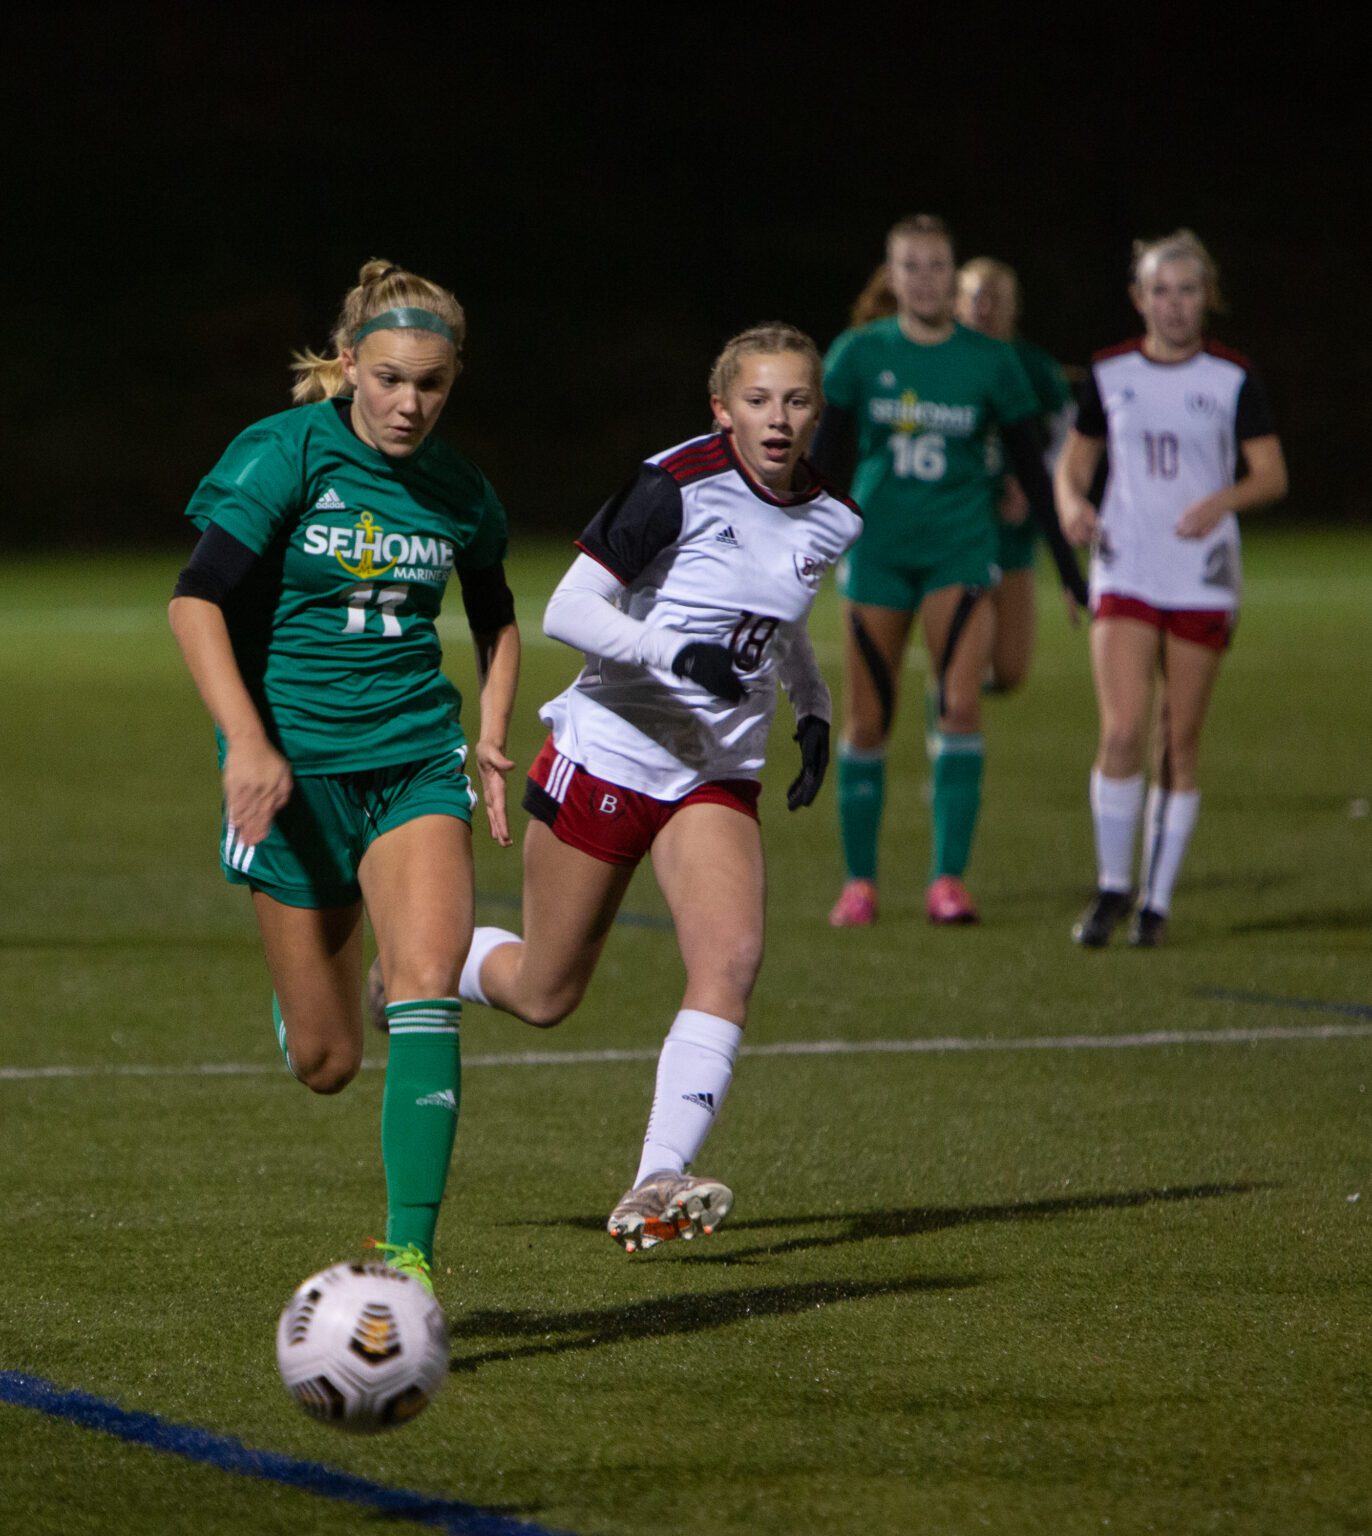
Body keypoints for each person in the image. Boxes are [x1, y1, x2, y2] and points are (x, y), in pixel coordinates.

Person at [451, 323, 861, 1254]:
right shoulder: (672, 484)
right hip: (608, 752)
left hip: (715, 771)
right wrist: (673, 652)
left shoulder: (836, 515)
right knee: (547, 993)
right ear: (723, 409)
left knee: (731, 960)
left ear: (816, 412)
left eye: (796, 400)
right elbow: (566, 609)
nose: (778, 417)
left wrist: (811, 704)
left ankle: (652, 1183)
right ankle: (410, 962)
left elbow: (776, 614)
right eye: (757, 400)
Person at [168, 259, 520, 1291]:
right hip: (294, 776)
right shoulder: (286, 455)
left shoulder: (460, 490)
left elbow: (496, 614)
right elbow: (196, 602)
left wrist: (491, 732)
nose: (409, 404)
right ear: (349, 367)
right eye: (389, 379)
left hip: (413, 759)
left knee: (426, 990)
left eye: (432, 384)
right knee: (327, 1065)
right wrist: (250, 743)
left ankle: (407, 1253)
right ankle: (319, 999)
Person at [811, 214, 1087, 928]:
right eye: (912, 266)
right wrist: (794, 547)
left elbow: (1032, 466)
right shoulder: (857, 354)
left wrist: (1067, 569)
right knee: (869, 722)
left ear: (950, 273)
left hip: (961, 553)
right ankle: (861, 884)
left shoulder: (990, 362)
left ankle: (947, 881)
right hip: (877, 554)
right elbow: (826, 464)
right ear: (893, 276)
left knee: (960, 705)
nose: (926, 279)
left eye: (937, 266)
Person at [1056, 229, 1287, 947]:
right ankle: (1111, 888)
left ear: (1205, 299)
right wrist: (1071, 505)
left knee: (1175, 742)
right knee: (1122, 728)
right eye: (1161, 290)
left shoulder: (1231, 378)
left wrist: (1221, 501)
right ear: (1139, 298)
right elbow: (1073, 464)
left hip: (1201, 575)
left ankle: (1155, 904)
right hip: (1126, 567)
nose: (1175, 304)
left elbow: (1271, 475)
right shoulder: (1109, 372)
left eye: (1187, 291)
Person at [955, 256, 1075, 692]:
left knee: (1008, 670)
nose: (984, 308)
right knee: (959, 664)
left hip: (1014, 532)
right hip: (957, 526)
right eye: (975, 297)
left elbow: (1069, 440)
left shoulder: (1035, 368)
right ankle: (950, 710)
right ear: (957, 304)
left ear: (1014, 306)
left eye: (996, 298)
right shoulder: (943, 362)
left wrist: (1035, 481)